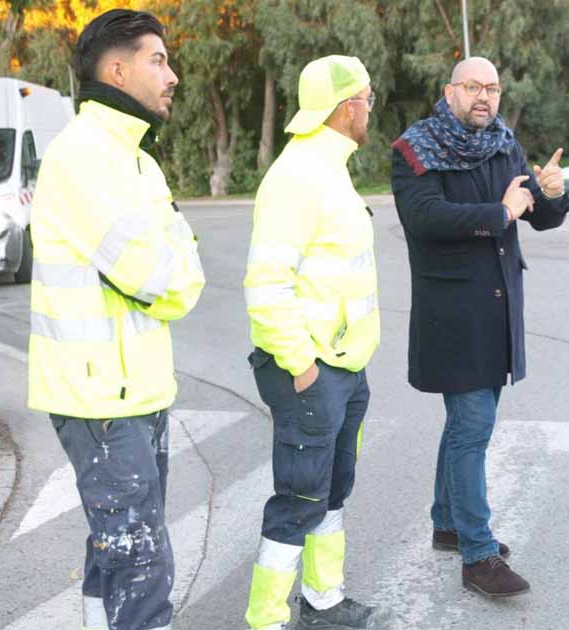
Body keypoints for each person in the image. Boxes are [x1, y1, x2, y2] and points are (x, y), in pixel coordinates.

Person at [26, 9, 205, 630]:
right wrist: (173, 271)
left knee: (115, 551)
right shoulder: (83, 156)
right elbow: (155, 275)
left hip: (137, 391)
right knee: (140, 561)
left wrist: (173, 271)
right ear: (118, 68)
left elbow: (181, 273)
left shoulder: (137, 162)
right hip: (99, 396)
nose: (172, 75)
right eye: (159, 60)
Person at [390, 57, 569, 598]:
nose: (484, 97)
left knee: (468, 422)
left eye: (491, 88)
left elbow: (536, 213)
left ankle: (448, 522)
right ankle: (477, 553)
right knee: (472, 426)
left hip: (498, 312)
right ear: (450, 92)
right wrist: (501, 212)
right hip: (453, 315)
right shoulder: (415, 148)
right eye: (473, 87)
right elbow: (423, 218)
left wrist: (552, 193)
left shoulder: (502, 143)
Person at [241, 55, 389, 630]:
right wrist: (303, 366)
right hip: (312, 370)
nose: (370, 109)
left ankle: (323, 602)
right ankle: (267, 619)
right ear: (347, 106)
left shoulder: (330, 166)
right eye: (368, 99)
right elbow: (265, 284)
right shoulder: (297, 175)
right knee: (299, 498)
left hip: (344, 367)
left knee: (330, 490)